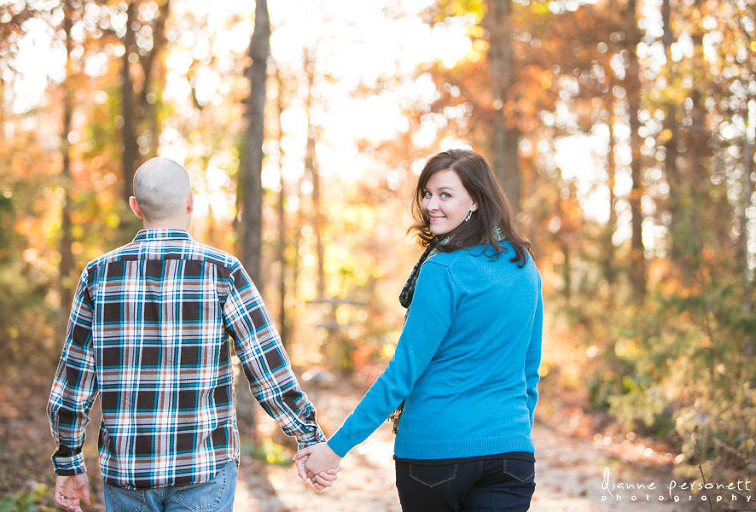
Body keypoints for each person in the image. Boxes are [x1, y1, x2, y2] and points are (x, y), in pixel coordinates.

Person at [47, 157, 334, 512]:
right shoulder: (222, 272)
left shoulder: (98, 276)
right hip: (204, 470)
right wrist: (309, 436)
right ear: (190, 201)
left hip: (128, 473)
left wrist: (69, 462)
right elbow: (267, 368)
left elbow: (73, 382)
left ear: (136, 207)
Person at [294, 149, 543, 511]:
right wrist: (514, 430)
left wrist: (334, 449)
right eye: (427, 193)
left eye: (445, 194)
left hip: (435, 455)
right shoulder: (525, 266)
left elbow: (401, 376)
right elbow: (529, 372)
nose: (430, 205)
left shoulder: (443, 270)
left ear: (474, 200)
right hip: (511, 455)